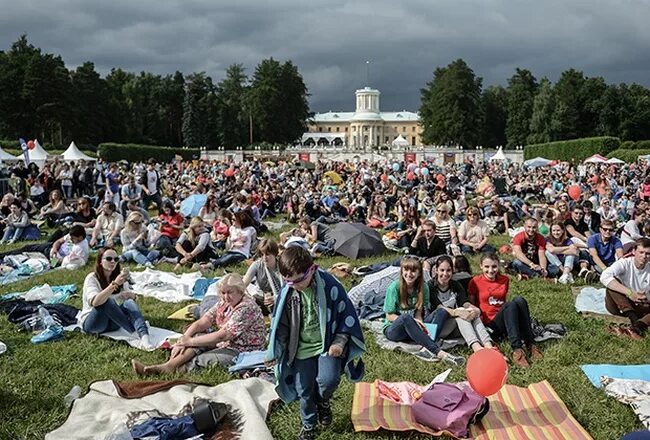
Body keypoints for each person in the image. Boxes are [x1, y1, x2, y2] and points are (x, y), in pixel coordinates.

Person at [266, 246, 365, 440]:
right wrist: (275, 352)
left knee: (328, 381)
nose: (293, 285)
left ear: (312, 269)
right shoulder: (288, 293)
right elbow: (281, 326)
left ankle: (323, 402)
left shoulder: (330, 285)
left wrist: (339, 342)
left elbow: (345, 315)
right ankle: (309, 424)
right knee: (304, 389)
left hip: (326, 346)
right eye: (288, 280)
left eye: (298, 279)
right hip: (300, 350)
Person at [132, 273, 266, 374]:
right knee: (196, 338)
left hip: (243, 350)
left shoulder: (246, 307)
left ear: (240, 291)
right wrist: (184, 339)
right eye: (223, 293)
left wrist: (188, 342)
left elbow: (222, 335)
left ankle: (173, 369)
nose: (226, 296)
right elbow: (203, 321)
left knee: (203, 359)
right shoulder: (224, 302)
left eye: (230, 292)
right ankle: (169, 365)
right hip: (226, 343)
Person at [383, 257, 464, 365]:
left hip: (413, 329)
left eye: (413, 271)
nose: (409, 274)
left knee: (442, 311)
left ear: (419, 273)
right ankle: (438, 352)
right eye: (406, 270)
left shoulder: (423, 287)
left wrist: (419, 321)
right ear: (401, 271)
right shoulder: (394, 288)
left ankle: (427, 348)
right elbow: (389, 315)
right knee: (405, 318)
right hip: (395, 329)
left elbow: (418, 312)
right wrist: (413, 322)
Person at [468, 253, 542, 368]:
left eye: (494, 267)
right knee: (509, 305)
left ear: (498, 266)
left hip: (505, 318)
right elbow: (472, 305)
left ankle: (530, 344)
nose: (491, 270)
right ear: (481, 266)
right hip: (490, 326)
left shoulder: (504, 280)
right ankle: (517, 350)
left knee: (519, 300)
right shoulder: (475, 281)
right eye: (487, 267)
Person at [78, 247, 152, 348]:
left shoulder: (119, 277)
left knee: (129, 302)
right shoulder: (92, 278)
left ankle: (144, 336)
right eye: (109, 259)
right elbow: (95, 302)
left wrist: (133, 296)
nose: (113, 262)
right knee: (107, 301)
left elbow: (131, 302)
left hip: (114, 322)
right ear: (100, 261)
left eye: (116, 259)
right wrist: (114, 285)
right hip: (94, 323)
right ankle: (134, 332)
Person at [427, 256, 493, 353]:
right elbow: (439, 307)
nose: (445, 274)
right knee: (461, 315)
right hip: (436, 327)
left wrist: (474, 309)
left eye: (448, 270)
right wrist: (458, 312)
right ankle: (477, 348)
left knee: (470, 312)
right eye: (442, 270)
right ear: (436, 270)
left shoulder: (455, 285)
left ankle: (488, 345)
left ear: (452, 271)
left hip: (452, 325)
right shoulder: (430, 286)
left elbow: (464, 302)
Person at [600, 238, 650, 339]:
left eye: (648, 254)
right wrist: (630, 293)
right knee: (612, 283)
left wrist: (646, 298)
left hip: (641, 305)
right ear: (634, 251)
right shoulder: (625, 263)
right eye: (641, 252)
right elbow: (604, 276)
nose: (644, 256)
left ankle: (637, 327)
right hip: (621, 304)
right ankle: (633, 319)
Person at [243, 239, 283, 315]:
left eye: (267, 254)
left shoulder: (282, 265)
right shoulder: (257, 265)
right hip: (261, 297)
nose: (264, 258)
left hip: (280, 297)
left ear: (274, 254)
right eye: (261, 255)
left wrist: (276, 298)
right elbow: (243, 285)